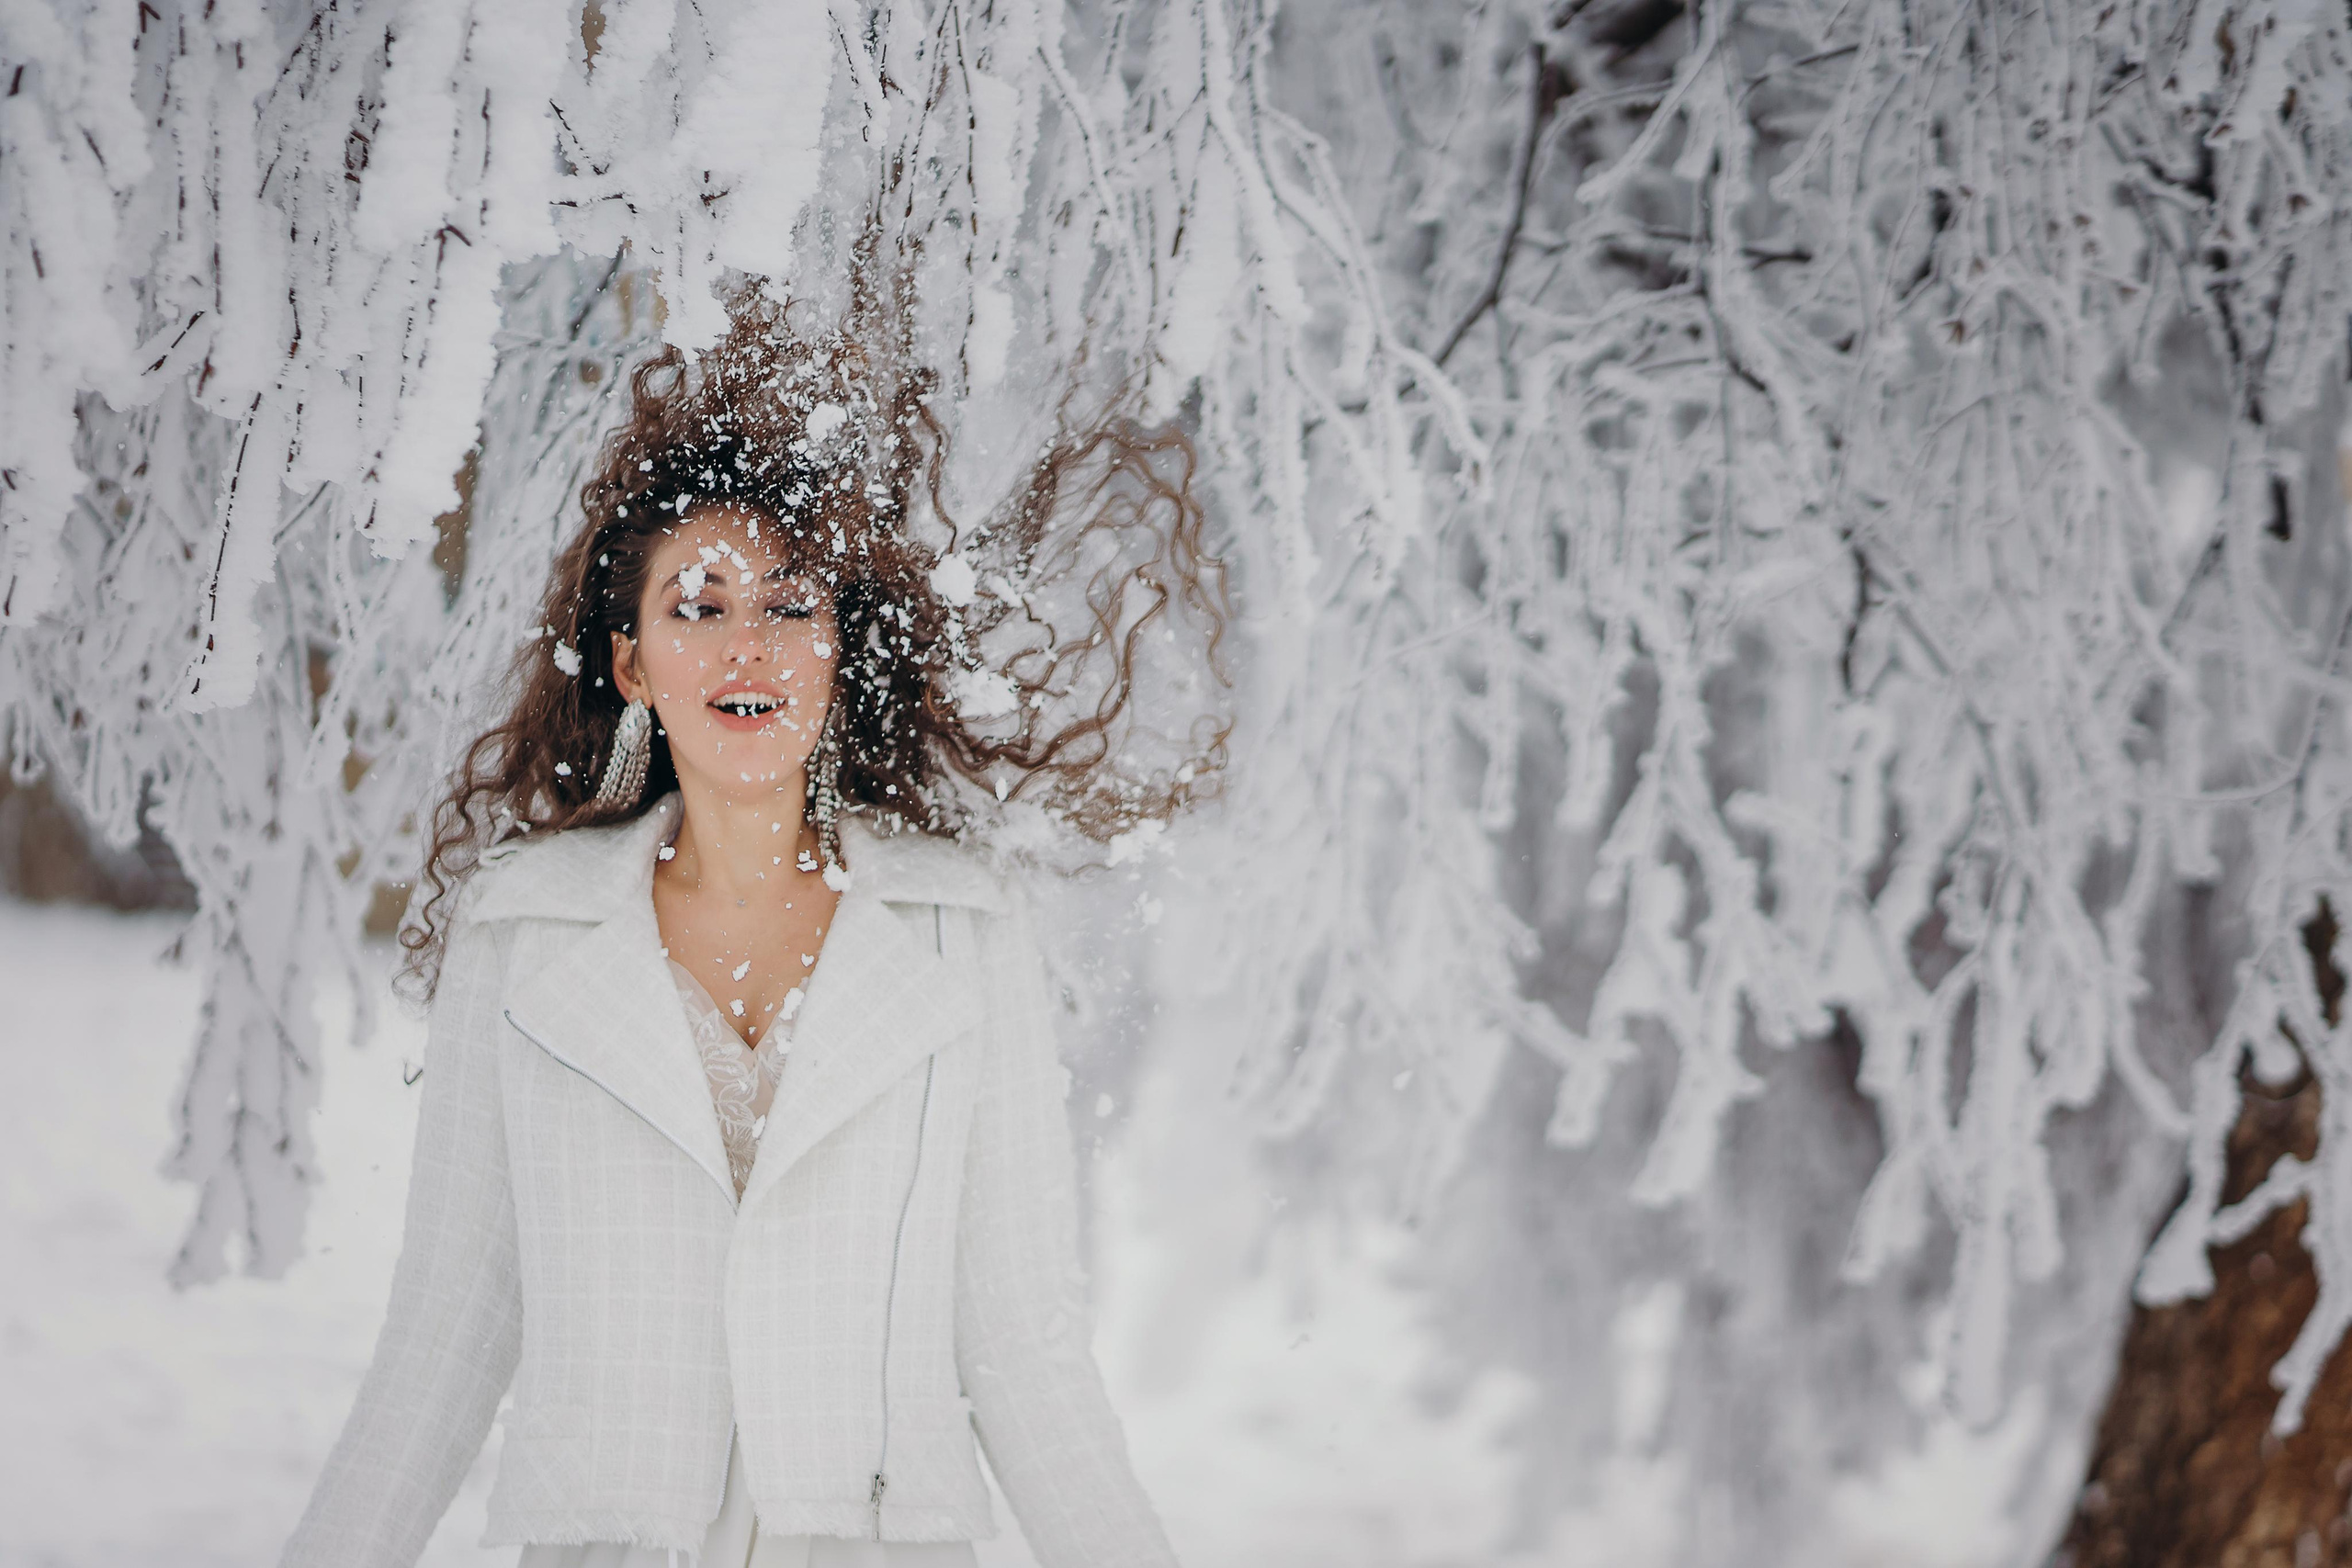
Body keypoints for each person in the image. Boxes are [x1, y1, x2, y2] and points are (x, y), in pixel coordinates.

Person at [277, 296, 1227, 1568]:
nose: (750, 647)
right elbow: (448, 1328)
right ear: (629, 661)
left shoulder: (961, 928)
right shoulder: (525, 934)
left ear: (839, 650)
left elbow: (1019, 1345)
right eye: (699, 605)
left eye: (790, 606)